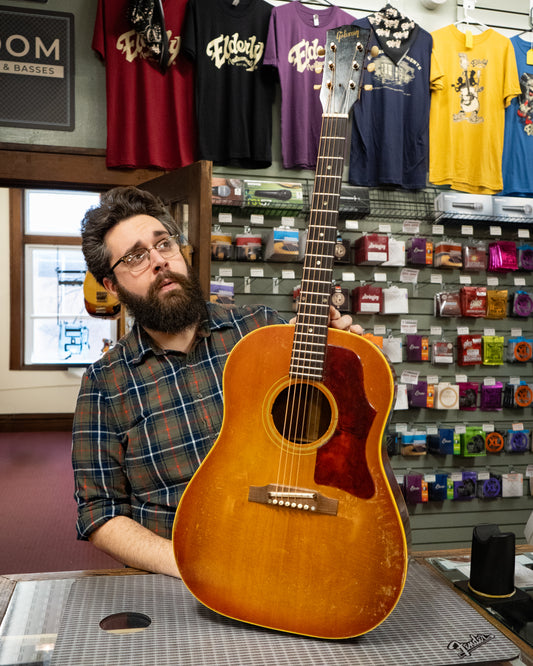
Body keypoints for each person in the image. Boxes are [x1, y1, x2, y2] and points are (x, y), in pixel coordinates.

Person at [72, 185, 363, 578]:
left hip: (298, 551)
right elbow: (99, 513)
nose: (160, 260)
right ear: (112, 286)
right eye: (137, 257)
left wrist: (348, 366)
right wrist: (195, 566)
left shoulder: (261, 329)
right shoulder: (105, 384)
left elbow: (342, 429)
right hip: (180, 585)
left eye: (164, 244)